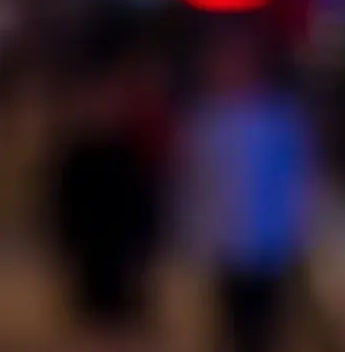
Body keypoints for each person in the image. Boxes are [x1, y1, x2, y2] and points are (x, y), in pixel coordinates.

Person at [175, 29, 315, 352]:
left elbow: (297, 180)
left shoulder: (279, 118)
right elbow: (194, 185)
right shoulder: (205, 121)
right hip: (224, 244)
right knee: (228, 327)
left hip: (268, 244)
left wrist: (297, 230)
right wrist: (192, 233)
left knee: (264, 328)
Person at [52, 53, 163, 346]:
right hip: (89, 248)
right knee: (92, 319)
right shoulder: (75, 153)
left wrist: (142, 241)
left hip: (122, 249)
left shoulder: (128, 151)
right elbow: (63, 201)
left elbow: (141, 201)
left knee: (123, 318)